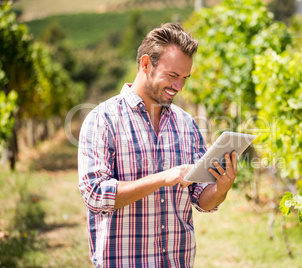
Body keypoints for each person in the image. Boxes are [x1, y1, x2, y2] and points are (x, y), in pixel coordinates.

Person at [78, 23, 238, 268]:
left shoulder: (186, 124)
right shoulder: (103, 120)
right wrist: (163, 178)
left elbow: (200, 198)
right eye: (173, 76)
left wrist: (221, 188)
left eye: (185, 78)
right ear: (145, 64)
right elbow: (96, 195)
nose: (179, 86)